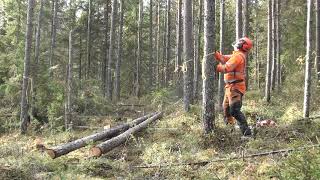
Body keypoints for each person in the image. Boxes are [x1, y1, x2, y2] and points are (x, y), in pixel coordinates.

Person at [214, 37, 253, 136]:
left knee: (235, 111)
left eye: (239, 42)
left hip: (236, 87)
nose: (237, 43)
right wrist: (214, 53)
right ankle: (230, 129)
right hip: (230, 87)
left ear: (241, 45)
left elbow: (227, 68)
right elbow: (223, 58)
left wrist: (215, 67)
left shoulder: (238, 57)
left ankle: (247, 133)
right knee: (226, 110)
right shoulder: (236, 55)